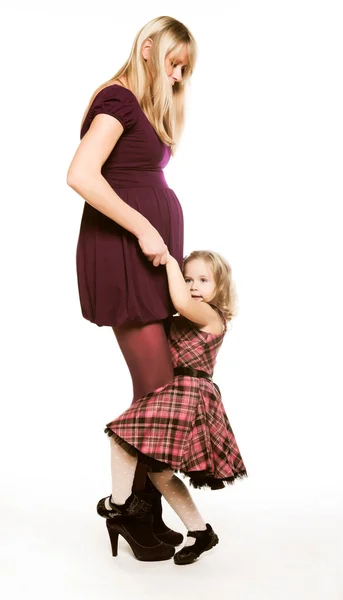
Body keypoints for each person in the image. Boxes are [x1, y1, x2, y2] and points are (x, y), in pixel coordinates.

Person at [66, 16, 197, 560]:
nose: (179, 75)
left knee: (157, 389)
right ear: (147, 48)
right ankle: (127, 510)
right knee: (158, 392)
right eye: (173, 61)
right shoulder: (117, 100)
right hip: (123, 255)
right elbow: (81, 174)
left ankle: (142, 509)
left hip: (146, 260)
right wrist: (146, 227)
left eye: (186, 69)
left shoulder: (141, 105)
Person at [97, 250, 247, 565]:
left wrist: (168, 262)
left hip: (189, 393)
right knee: (160, 474)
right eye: (188, 278)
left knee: (121, 435)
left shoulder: (212, 315)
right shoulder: (184, 318)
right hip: (172, 390)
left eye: (203, 280)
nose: (193, 286)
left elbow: (179, 302)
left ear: (220, 286)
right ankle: (201, 531)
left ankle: (119, 504)